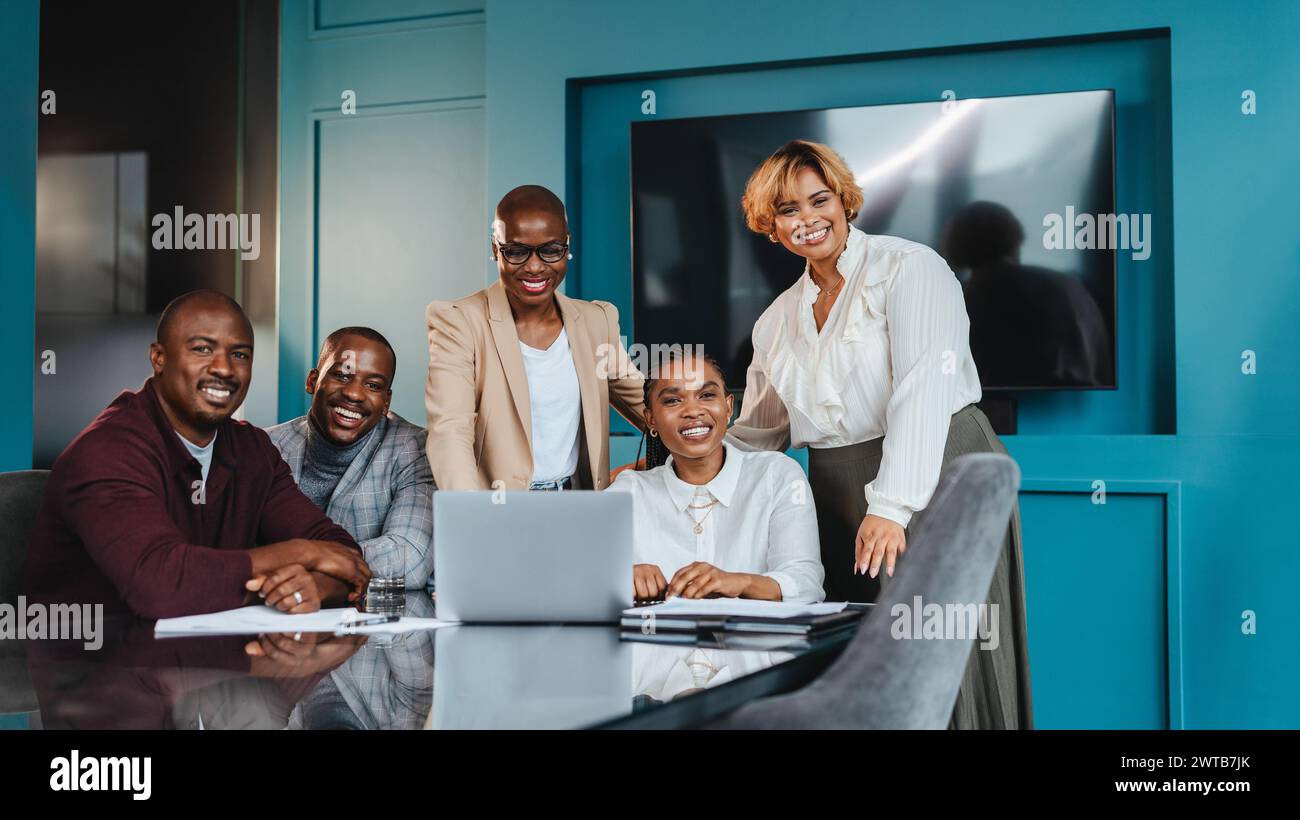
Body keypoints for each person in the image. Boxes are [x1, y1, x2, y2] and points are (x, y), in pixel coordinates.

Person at [729, 140, 1032, 728]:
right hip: (837, 497)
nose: (807, 218)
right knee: (867, 664)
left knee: (943, 659)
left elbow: (923, 387)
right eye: (788, 209)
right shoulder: (775, 320)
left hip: (934, 471)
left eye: (819, 200)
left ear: (844, 202)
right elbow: (761, 432)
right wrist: (672, 466)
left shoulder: (909, 267)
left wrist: (891, 505)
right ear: (771, 226)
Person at [24, 290, 371, 619]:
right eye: (203, 349)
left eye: (240, 355)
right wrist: (299, 554)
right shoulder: (107, 451)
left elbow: (341, 553)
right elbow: (159, 587)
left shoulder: (252, 449)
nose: (224, 368)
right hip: (91, 666)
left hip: (208, 666)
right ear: (159, 357)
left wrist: (314, 587)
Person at [425, 184, 645, 491]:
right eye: (516, 252)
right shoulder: (460, 322)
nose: (534, 267)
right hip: (497, 508)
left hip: (576, 501)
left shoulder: (597, 321)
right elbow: (450, 428)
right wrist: (471, 515)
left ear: (567, 247)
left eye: (551, 250)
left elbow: (648, 406)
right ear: (494, 249)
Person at [610, 353, 824, 603]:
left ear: (729, 407)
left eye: (707, 395)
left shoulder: (777, 476)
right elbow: (577, 576)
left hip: (751, 641)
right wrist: (618, 577)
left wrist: (738, 582)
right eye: (672, 400)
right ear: (651, 419)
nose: (692, 410)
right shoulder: (629, 491)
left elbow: (806, 584)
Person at [267, 326, 434, 590]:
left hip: (369, 628)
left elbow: (410, 558)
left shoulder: (414, 449)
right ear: (312, 381)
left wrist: (304, 559)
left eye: (373, 385)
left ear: (386, 401)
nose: (354, 394)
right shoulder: (267, 447)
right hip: (272, 619)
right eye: (342, 376)